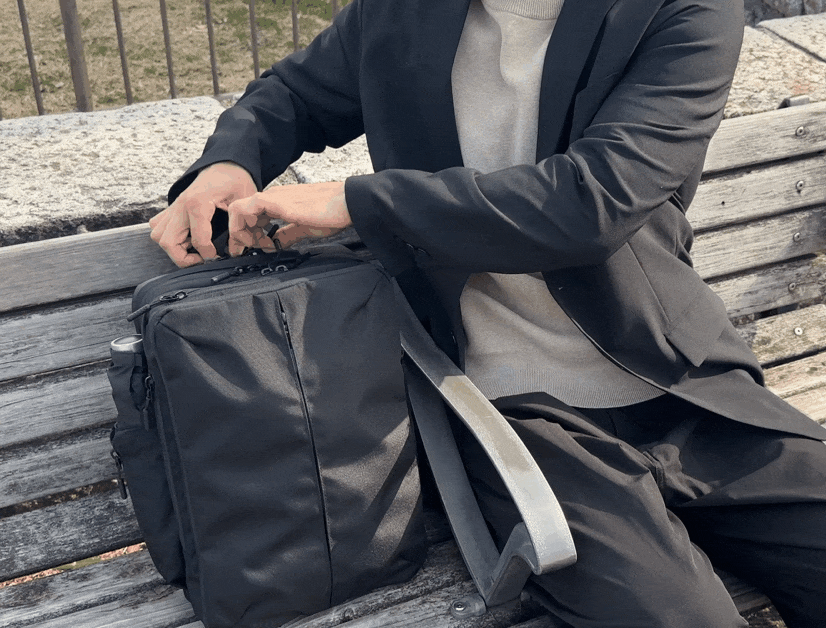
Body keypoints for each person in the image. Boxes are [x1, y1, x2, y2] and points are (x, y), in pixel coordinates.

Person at [148, 0, 826, 625]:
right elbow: (295, 94)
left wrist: (358, 202)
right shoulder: (401, 11)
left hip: (680, 383)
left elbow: (592, 203)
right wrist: (228, 163)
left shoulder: (682, 9)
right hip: (506, 411)